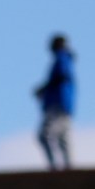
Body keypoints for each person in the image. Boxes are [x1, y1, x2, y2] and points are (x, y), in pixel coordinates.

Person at [34, 34, 76, 171]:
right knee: (62, 138)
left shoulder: (62, 58)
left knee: (45, 135)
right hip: (64, 105)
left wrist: (45, 88)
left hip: (58, 104)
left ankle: (54, 167)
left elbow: (61, 76)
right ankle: (68, 166)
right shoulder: (65, 59)